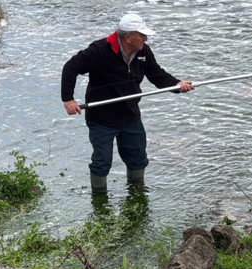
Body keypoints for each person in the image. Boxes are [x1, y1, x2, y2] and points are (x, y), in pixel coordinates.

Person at [61, 13, 194, 194]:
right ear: (128, 37)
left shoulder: (143, 52)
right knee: (102, 162)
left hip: (130, 115)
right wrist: (68, 99)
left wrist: (178, 85)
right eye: (142, 35)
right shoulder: (99, 50)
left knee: (138, 158)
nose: (145, 39)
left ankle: (137, 194)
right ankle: (99, 203)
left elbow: (157, 75)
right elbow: (71, 67)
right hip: (101, 119)